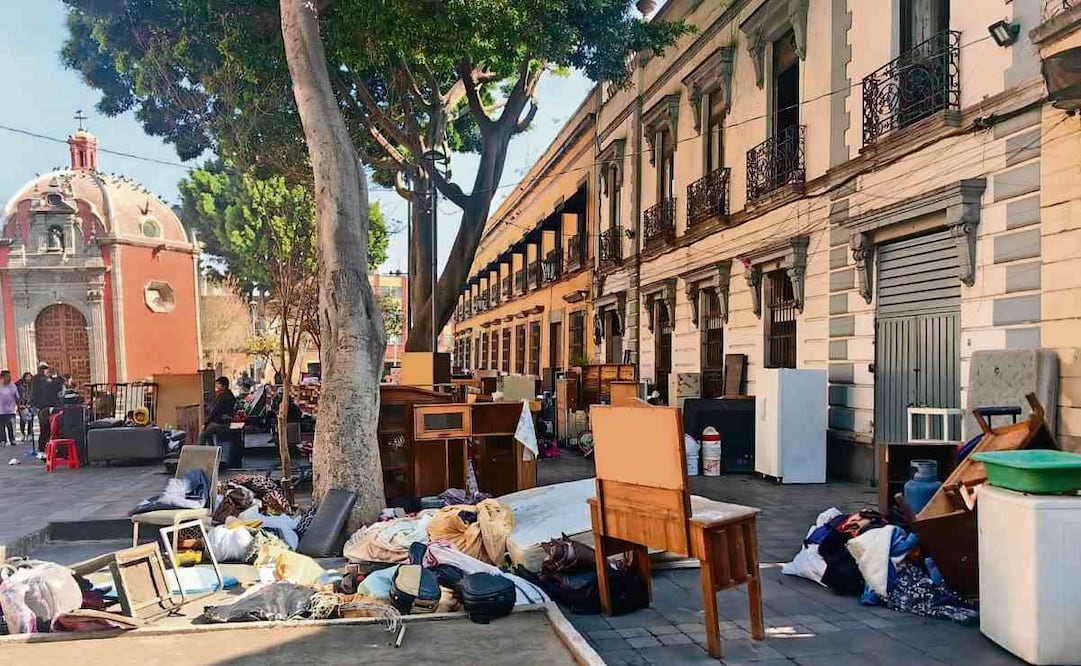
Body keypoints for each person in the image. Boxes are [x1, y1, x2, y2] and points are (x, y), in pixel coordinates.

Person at [29, 363, 61, 453]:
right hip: (44, 407)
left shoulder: (48, 380)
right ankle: (43, 448)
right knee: (45, 428)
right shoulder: (39, 379)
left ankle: (48, 447)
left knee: (50, 428)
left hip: (51, 406)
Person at [199, 377, 237, 446]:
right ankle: (212, 450)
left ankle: (201, 451)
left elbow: (215, 411)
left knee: (203, 433)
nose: (216, 386)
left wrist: (206, 423)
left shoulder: (223, 396)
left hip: (222, 424)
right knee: (208, 431)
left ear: (223, 386)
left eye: (218, 384)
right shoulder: (229, 395)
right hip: (226, 422)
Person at [0, 371, 19, 446]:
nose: (9, 378)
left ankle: (12, 439)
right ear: (2, 377)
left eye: (9, 376)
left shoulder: (13, 386)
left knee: (11, 425)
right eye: (7, 376)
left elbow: (16, 396)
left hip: (10, 410)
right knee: (1, 427)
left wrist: (19, 406)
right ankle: (2, 440)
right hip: (0, 410)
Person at [15, 372, 33, 442]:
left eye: (30, 377)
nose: (29, 378)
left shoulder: (32, 384)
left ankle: (29, 434)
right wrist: (19, 404)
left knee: (30, 420)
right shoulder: (19, 384)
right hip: (22, 404)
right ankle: (23, 433)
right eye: (27, 377)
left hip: (30, 404)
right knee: (23, 420)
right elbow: (16, 395)